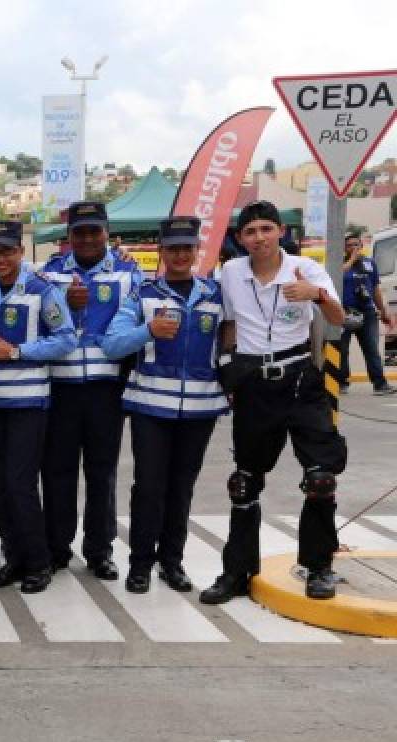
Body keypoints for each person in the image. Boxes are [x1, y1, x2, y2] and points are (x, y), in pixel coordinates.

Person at [200, 200, 348, 603]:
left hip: (300, 377)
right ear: (240, 238)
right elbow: (229, 324)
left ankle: (319, 567)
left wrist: (315, 294)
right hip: (253, 382)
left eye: (266, 228)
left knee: (320, 478)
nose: (259, 237)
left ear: (280, 231)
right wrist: (228, 370)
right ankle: (237, 572)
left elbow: (337, 317)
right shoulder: (230, 272)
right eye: (250, 231)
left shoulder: (306, 270)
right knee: (243, 482)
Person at [103, 217, 228, 594]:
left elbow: (231, 340)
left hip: (200, 409)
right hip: (150, 408)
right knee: (149, 488)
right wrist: (147, 331)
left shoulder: (215, 294)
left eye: (186, 248)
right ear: (161, 251)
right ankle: (140, 563)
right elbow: (112, 344)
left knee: (182, 488)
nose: (179, 255)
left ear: (196, 251)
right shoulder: (142, 295)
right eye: (172, 248)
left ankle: (172, 563)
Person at [0, 221, 77, 593]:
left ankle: (38, 561)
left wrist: (18, 352)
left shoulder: (41, 291)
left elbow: (66, 339)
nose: (0, 259)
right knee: (1, 484)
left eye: (7, 251)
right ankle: (13, 558)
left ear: (20, 252)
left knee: (21, 483)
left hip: (27, 403)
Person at [39, 201, 142, 581]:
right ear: (69, 236)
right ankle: (57, 548)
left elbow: (139, 327)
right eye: (79, 232)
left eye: (93, 231)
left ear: (107, 234)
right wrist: (64, 305)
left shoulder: (130, 274)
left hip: (106, 390)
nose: (86, 239)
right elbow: (36, 323)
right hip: (60, 389)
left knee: (102, 472)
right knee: (57, 472)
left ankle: (100, 551)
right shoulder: (49, 275)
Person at [338, 233, 395, 395]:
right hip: (345, 311)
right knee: (342, 349)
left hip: (367, 311)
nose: (354, 248)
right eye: (349, 245)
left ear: (362, 246)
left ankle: (380, 384)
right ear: (344, 248)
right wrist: (351, 260)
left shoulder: (370, 264)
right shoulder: (340, 262)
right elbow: (336, 276)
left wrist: (383, 311)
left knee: (371, 348)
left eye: (356, 244)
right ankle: (342, 382)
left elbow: (376, 288)